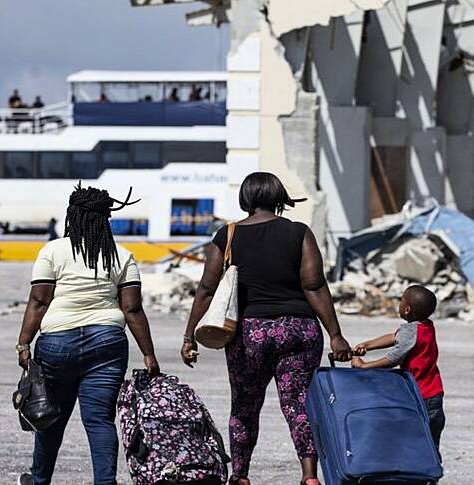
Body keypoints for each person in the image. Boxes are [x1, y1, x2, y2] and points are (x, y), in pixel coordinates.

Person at [181, 172, 352, 485]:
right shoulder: (299, 232)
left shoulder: (227, 234)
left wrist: (190, 334)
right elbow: (314, 284)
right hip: (299, 330)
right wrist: (336, 334)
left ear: (245, 198)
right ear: (278, 197)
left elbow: (207, 287)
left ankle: (241, 476)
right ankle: (309, 476)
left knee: (245, 406)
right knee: (299, 403)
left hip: (250, 334)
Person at [15, 185, 160, 485]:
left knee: (50, 417)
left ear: (72, 215)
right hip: (107, 342)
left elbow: (39, 300)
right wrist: (149, 354)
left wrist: (24, 342)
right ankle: (105, 483)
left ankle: (39, 481)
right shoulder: (122, 256)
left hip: (57, 343)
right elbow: (132, 309)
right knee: (99, 421)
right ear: (105, 218)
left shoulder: (53, 250)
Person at [351, 285, 445, 459]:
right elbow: (396, 337)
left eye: (401, 300)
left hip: (420, 397)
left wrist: (365, 366)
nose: (399, 304)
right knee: (431, 445)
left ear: (407, 309)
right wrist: (368, 344)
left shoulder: (412, 331)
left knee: (414, 443)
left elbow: (394, 358)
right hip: (435, 395)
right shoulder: (425, 326)